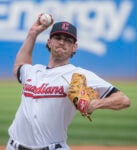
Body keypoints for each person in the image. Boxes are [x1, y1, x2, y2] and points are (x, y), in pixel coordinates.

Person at [7, 13, 130, 150]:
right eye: (57, 38)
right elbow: (19, 66)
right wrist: (33, 33)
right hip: (13, 146)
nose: (61, 42)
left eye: (68, 40)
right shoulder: (33, 71)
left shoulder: (78, 74)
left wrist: (96, 103)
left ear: (74, 47)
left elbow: (123, 100)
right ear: (49, 42)